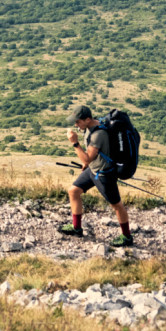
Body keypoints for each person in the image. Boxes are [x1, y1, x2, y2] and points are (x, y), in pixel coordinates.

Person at [58, 105, 134, 247]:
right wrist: (87, 164)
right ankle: (77, 228)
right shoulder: (88, 127)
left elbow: (86, 158)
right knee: (73, 191)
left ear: (87, 119)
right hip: (93, 170)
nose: (76, 124)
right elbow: (91, 158)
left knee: (116, 205)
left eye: (78, 121)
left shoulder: (98, 135)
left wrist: (75, 143)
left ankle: (127, 237)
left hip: (104, 175)